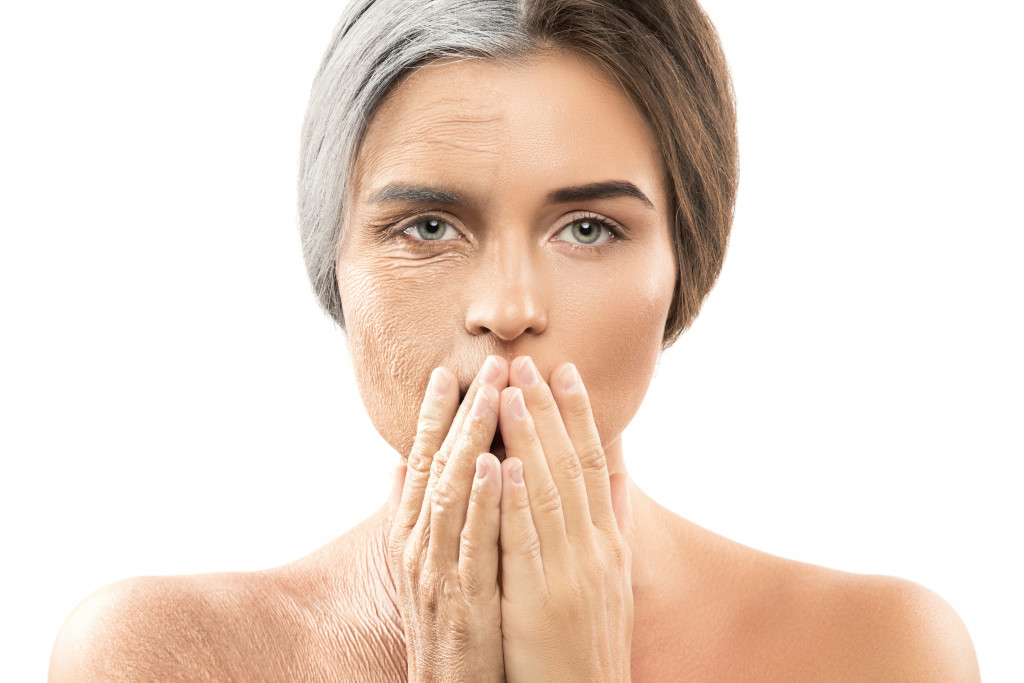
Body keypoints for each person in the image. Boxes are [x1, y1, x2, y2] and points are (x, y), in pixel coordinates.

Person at [48, 0, 981, 680]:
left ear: (684, 265)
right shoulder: (153, 655)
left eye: (587, 227)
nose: (506, 306)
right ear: (333, 263)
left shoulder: (878, 652)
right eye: (427, 226)